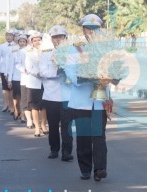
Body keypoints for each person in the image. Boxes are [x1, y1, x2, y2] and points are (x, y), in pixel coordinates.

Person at [64, 14, 116, 181]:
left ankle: (100, 169)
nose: (92, 32)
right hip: (81, 101)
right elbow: (70, 73)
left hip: (100, 101)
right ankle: (86, 168)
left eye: (95, 29)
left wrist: (113, 78)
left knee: (99, 136)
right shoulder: (75, 49)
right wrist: (88, 77)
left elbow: (113, 70)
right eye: (89, 28)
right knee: (84, 136)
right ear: (83, 29)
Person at [39, 25, 74, 161]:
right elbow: (42, 72)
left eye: (60, 37)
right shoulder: (47, 54)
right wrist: (57, 71)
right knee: (53, 125)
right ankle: (54, 149)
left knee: (67, 125)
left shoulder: (72, 54)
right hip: (51, 95)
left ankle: (67, 151)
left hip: (67, 95)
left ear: (65, 38)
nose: (58, 40)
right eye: (55, 37)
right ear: (51, 40)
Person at [25, 31, 48, 137]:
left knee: (44, 106)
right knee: (34, 105)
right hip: (34, 82)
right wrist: (38, 74)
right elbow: (28, 68)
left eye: (39, 40)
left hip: (45, 82)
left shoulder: (47, 51)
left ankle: (43, 124)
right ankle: (37, 127)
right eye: (35, 40)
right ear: (32, 42)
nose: (37, 42)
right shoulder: (29, 53)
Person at [8, 34, 28, 120]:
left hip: (25, 77)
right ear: (18, 42)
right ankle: (16, 110)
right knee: (16, 97)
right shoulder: (14, 51)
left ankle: (23, 114)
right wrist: (9, 79)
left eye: (24, 41)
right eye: (21, 41)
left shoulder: (29, 51)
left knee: (24, 97)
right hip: (16, 77)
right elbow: (11, 66)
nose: (22, 43)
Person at [0, 29, 15, 113]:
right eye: (7, 35)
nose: (8, 37)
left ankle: (11, 106)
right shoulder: (2, 46)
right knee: (5, 88)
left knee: (11, 89)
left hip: (13, 71)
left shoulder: (16, 46)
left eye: (10, 35)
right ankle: (5, 104)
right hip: (3, 70)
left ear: (13, 37)